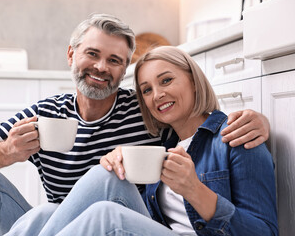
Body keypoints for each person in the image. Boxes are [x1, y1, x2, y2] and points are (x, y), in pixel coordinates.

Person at [0, 14, 270, 235]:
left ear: (123, 70)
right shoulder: (46, 112)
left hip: (115, 221)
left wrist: (259, 118)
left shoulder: (149, 116)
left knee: (102, 181)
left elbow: (200, 122)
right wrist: (8, 151)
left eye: (114, 60)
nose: (101, 66)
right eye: (92, 54)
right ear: (71, 55)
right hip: (63, 224)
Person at [31, 46, 278, 236]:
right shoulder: (165, 143)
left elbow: (265, 232)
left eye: (166, 80)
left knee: (106, 215)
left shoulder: (237, 136)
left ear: (193, 80)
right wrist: (115, 161)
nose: (157, 95)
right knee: (49, 210)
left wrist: (194, 190)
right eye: (147, 90)